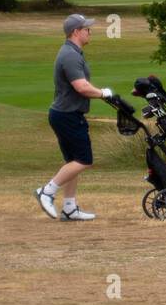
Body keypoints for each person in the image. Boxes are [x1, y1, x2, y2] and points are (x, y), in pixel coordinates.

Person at [35, 13, 115, 221]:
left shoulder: (73, 52)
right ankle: (47, 191)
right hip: (67, 115)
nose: (90, 32)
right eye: (86, 29)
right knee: (83, 160)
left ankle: (69, 208)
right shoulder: (70, 55)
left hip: (65, 114)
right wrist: (103, 93)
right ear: (76, 32)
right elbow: (81, 87)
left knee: (72, 161)